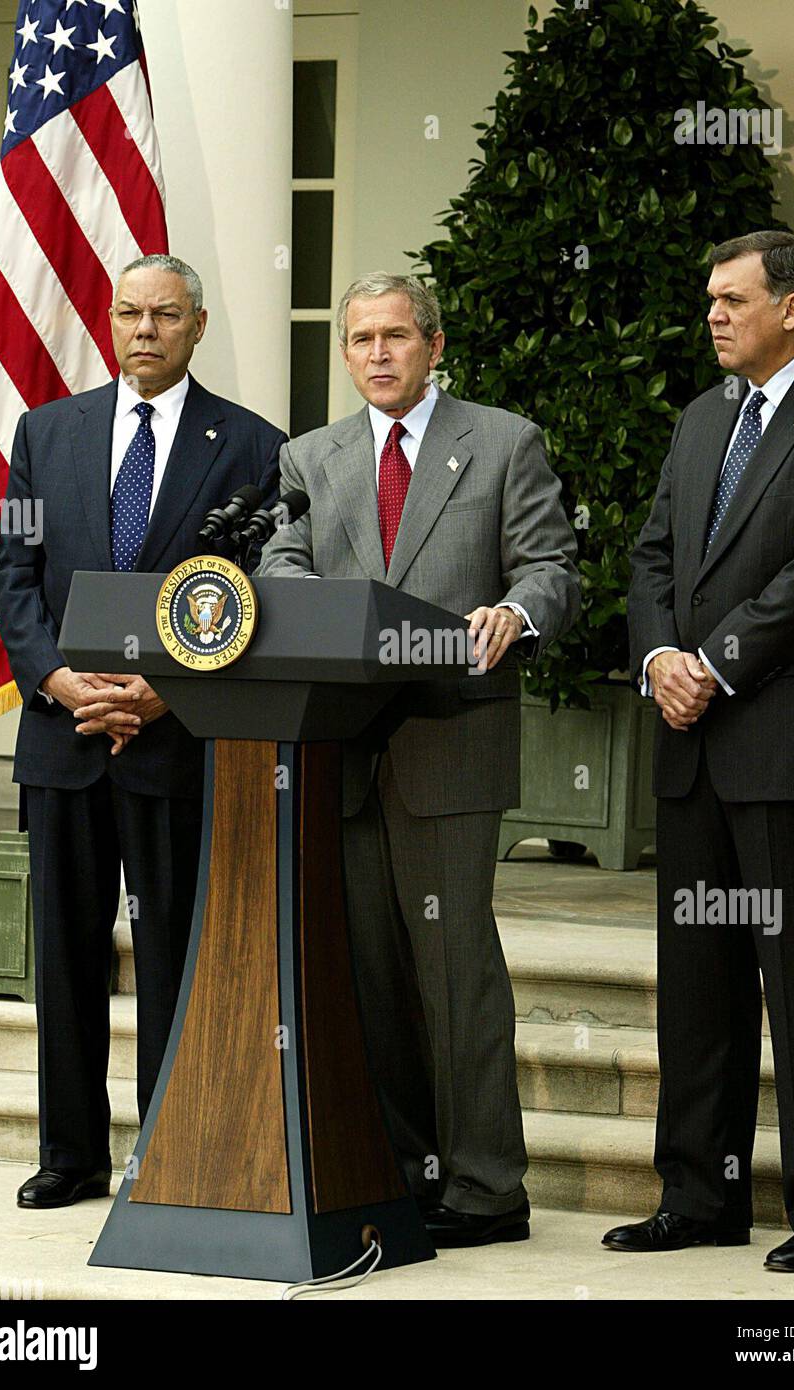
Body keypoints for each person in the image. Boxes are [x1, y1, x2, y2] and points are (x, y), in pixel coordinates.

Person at [258, 272, 579, 1247]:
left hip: (450, 741)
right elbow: (282, 565)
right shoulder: (310, 456)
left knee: (453, 969)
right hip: (345, 747)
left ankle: (487, 1188)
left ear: (434, 346)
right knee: (371, 974)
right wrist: (289, 593)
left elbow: (549, 567)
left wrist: (514, 612)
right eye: (360, 338)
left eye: (396, 335)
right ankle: (402, 1172)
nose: (378, 353)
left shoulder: (503, 441)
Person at [611, 231, 794, 1272]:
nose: (711, 316)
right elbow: (651, 552)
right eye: (707, 300)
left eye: (730, 299)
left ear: (791, 307)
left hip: (793, 748)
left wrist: (712, 662)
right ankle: (697, 1195)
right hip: (691, 748)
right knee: (697, 985)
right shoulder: (699, 420)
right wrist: (657, 657)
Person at [0, 254, 286, 1209]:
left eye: (165, 315)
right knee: (66, 956)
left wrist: (163, 688)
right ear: (108, 323)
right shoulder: (45, 433)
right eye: (128, 313)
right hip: (65, 739)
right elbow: (13, 575)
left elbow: (255, 594)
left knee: (170, 961)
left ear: (199, 326)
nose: (144, 330)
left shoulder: (252, 445)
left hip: (175, 742)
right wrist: (60, 683)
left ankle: (167, 1150)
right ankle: (69, 1154)